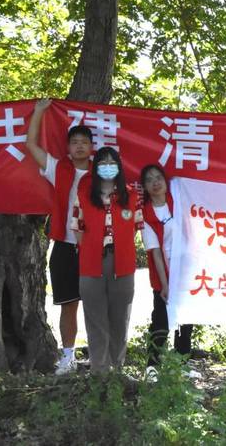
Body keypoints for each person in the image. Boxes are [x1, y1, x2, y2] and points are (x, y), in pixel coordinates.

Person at [26, 98, 92, 375]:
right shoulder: (59, 168)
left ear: (91, 147)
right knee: (68, 304)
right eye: (74, 142)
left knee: (98, 305)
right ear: (68, 147)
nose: (79, 146)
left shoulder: (103, 172)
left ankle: (103, 358)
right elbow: (31, 145)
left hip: (95, 248)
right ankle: (68, 357)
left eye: (84, 142)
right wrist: (39, 112)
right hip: (64, 245)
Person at [72, 146, 142, 373]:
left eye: (112, 162)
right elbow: (77, 228)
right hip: (91, 262)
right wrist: (91, 248)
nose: (108, 167)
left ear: (119, 167)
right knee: (95, 317)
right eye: (103, 163)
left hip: (123, 262)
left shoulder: (131, 195)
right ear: (96, 168)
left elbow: (135, 228)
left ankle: (117, 369)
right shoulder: (84, 194)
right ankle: (99, 370)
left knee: (120, 317)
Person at [139, 164, 172, 380]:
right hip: (163, 276)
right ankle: (152, 367)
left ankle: (183, 363)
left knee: (185, 320)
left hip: (185, 270)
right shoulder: (145, 214)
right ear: (144, 187)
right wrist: (165, 285)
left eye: (158, 177)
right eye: (149, 180)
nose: (155, 183)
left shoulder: (178, 201)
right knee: (161, 321)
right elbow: (156, 252)